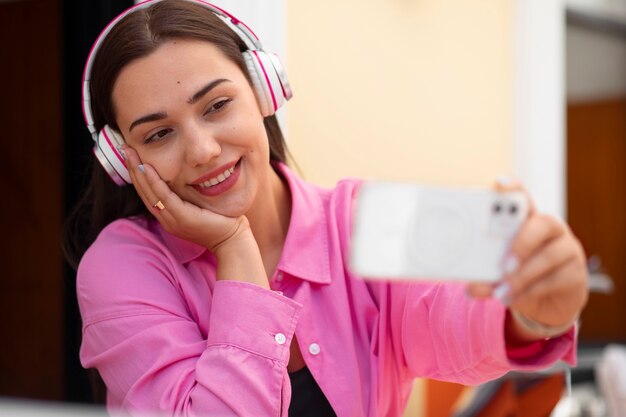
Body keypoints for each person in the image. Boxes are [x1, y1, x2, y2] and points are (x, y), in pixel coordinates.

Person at [64, 0, 589, 416]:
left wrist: (532, 313)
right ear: (123, 160)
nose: (201, 150)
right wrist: (234, 250)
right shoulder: (123, 266)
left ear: (265, 91)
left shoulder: (363, 218)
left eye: (218, 105)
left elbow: (456, 319)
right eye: (159, 134)